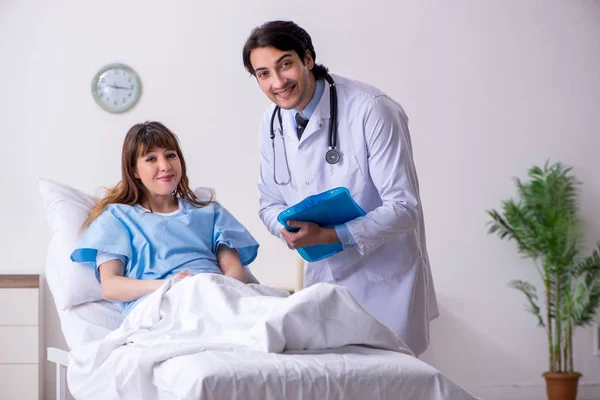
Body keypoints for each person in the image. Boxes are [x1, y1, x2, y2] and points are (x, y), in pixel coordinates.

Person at [242, 20, 438, 356]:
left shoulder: (371, 109)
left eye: (284, 64)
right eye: (263, 73)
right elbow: (269, 202)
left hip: (385, 281)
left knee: (391, 384)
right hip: (324, 280)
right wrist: (286, 230)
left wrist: (332, 236)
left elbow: (404, 208)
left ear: (308, 58)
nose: (277, 82)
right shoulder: (271, 123)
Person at [71, 121, 259, 317]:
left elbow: (235, 271)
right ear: (134, 170)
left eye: (171, 155)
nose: (165, 166)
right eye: (151, 159)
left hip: (217, 298)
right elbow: (111, 287)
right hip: (161, 304)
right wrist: (173, 285)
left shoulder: (207, 210)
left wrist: (212, 291)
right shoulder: (117, 218)